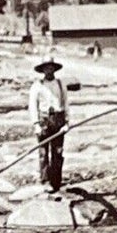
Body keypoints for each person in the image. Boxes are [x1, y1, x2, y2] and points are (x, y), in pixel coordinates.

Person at [29, 59, 69, 193]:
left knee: (57, 152)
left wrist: (67, 122)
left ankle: (56, 182)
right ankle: (45, 181)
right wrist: (36, 124)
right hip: (44, 121)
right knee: (43, 153)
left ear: (54, 69)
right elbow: (33, 106)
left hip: (58, 120)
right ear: (43, 70)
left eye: (51, 67)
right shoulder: (37, 85)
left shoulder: (60, 84)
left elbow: (66, 103)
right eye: (46, 68)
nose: (49, 70)